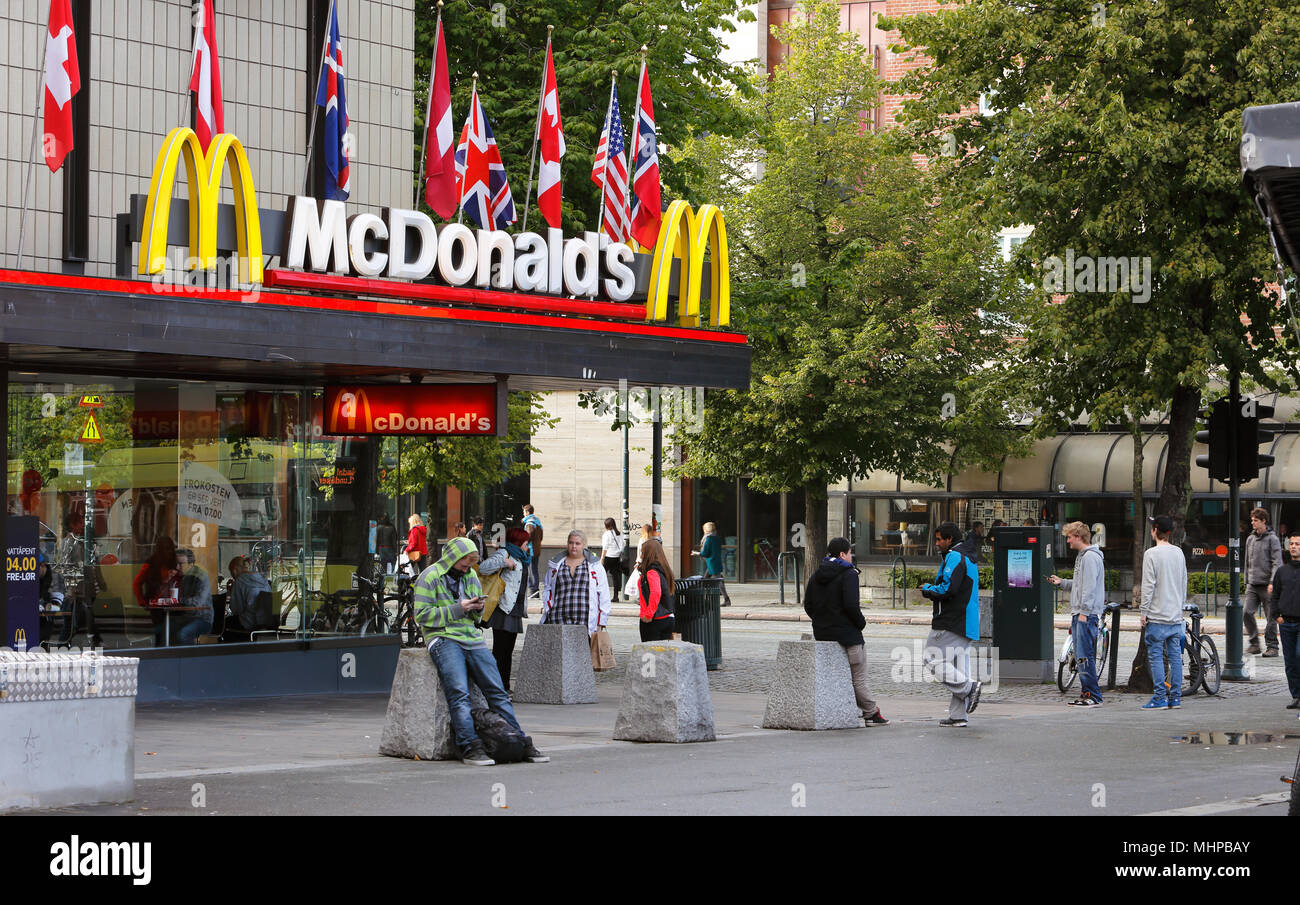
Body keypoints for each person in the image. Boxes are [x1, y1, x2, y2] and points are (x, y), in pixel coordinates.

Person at [415, 536, 548, 765]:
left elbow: (477, 618)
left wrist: (477, 609)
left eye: (470, 563)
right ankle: (469, 747)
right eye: (463, 563)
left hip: (470, 636)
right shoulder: (430, 577)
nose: (466, 568)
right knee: (458, 693)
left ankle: (519, 741)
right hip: (442, 638)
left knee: (497, 691)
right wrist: (459, 608)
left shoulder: (470, 577)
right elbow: (422, 616)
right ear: (452, 558)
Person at [804, 536, 887, 726]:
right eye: (850, 552)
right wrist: (861, 623)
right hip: (848, 635)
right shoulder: (849, 574)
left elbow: (808, 604)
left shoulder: (817, 574)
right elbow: (851, 605)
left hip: (823, 634)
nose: (851, 556)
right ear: (842, 554)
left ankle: (850, 709)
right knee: (858, 677)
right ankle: (871, 713)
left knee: (836, 677)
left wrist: (821, 620)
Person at [919, 522, 982, 727]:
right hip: (967, 621)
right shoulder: (968, 557)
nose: (937, 544)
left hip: (953, 620)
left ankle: (969, 688)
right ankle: (958, 716)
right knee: (957, 667)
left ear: (950, 539)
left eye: (939, 540)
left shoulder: (955, 556)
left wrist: (928, 588)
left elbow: (948, 589)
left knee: (931, 659)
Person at [1048, 521, 1106, 706]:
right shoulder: (1085, 556)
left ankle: (1092, 695)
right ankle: (1088, 693)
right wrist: (1062, 583)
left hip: (1085, 614)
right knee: (1083, 655)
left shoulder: (1089, 557)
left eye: (1069, 537)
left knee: (1084, 655)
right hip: (1082, 612)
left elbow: (1088, 588)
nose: (1067, 541)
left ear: (1078, 537)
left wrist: (1084, 612)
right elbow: (1082, 583)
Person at [1140, 515, 1187, 710]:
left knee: (1157, 657)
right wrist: (1180, 607)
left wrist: (1143, 612)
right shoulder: (1178, 553)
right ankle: (1175, 697)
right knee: (1175, 657)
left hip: (1157, 616)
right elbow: (1183, 582)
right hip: (1175, 616)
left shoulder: (1151, 554)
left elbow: (1148, 585)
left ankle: (1160, 697)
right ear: (1169, 533)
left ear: (1154, 531)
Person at [478, 526, 530, 692]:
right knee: (501, 651)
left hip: (515, 609)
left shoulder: (522, 558)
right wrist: (503, 562)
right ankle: (496, 686)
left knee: (508, 651)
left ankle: (504, 685)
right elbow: (483, 568)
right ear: (518, 542)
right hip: (503, 608)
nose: (527, 547)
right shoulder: (504, 553)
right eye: (525, 543)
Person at [540, 530, 611, 637]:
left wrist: (601, 622)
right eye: (571, 543)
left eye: (577, 543)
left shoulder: (595, 566)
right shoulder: (556, 565)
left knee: (583, 653)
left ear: (584, 545)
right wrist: (548, 608)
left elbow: (603, 594)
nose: (573, 546)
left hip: (585, 620)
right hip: (559, 618)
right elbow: (548, 588)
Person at [1244, 507, 1283, 657]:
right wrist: (1247, 580)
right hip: (1253, 585)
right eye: (1252, 520)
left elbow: (1277, 562)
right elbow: (1247, 562)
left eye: (1256, 520)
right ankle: (1254, 643)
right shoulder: (1250, 539)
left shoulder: (1272, 539)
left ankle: (1272, 646)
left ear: (1263, 521)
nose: (1253, 523)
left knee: (1271, 617)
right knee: (1246, 612)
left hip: (1268, 585)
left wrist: (1273, 582)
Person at [1269, 534, 1300, 710]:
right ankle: (1296, 695)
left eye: (1297, 544)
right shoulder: (1282, 571)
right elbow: (1275, 595)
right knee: (1290, 661)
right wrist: (1276, 615)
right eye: (1292, 544)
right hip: (1286, 622)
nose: (1294, 546)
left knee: (1299, 655)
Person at [133, 536, 181, 646]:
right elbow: (137, 583)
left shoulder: (174, 562)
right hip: (156, 605)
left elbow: (179, 582)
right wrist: (143, 602)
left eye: (170, 549)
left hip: (172, 605)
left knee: (170, 633)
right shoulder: (151, 563)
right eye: (166, 549)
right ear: (160, 550)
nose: (169, 552)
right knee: (161, 634)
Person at [636, 538, 677, 641]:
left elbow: (656, 593)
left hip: (655, 619)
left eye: (642, 552)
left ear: (648, 554)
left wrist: (649, 614)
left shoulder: (652, 572)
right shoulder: (663, 569)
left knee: (650, 655)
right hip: (667, 617)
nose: (641, 556)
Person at [174, 548, 213, 645]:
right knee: (161, 630)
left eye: (181, 564)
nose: (177, 567)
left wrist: (179, 600)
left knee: (183, 634)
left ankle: (190, 658)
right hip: (184, 617)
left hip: (202, 619)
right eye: (175, 564)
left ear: (191, 564)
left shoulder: (200, 576)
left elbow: (198, 603)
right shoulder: (179, 576)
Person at [227, 555, 273, 631]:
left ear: (235, 570)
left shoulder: (239, 581)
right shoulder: (262, 578)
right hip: (267, 621)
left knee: (223, 623)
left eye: (231, 572)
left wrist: (232, 592)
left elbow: (236, 609)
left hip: (249, 622)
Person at [699, 521, 733, 606]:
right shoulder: (717, 538)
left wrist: (697, 553)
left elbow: (705, 553)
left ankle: (726, 599)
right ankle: (706, 599)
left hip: (712, 563)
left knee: (717, 581)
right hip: (715, 562)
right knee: (705, 580)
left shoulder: (709, 539)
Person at [601, 518, 626, 602]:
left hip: (608, 557)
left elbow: (605, 547)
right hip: (616, 557)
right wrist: (618, 552)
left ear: (607, 525)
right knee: (615, 578)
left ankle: (601, 595)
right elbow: (623, 545)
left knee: (601, 576)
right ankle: (616, 597)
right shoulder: (619, 534)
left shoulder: (606, 534)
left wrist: (602, 558)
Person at [523, 504, 543, 595]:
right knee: (534, 569)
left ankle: (533, 590)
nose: (523, 514)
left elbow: (528, 536)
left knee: (531, 570)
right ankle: (535, 590)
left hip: (530, 550)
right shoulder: (537, 522)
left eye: (524, 512)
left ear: (527, 512)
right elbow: (541, 537)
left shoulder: (530, 523)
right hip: (537, 549)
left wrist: (525, 544)